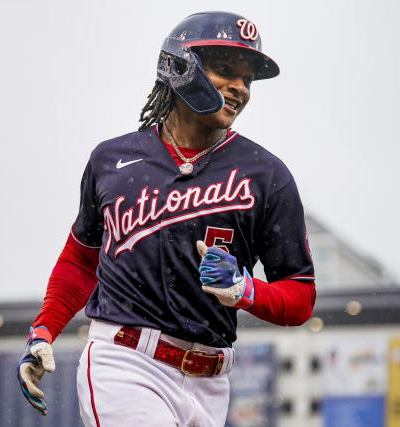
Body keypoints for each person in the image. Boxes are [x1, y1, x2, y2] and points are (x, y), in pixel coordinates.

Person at [16, 11, 316, 427]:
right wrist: (43, 330)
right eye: (225, 69)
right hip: (125, 361)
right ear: (179, 66)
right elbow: (81, 260)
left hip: (211, 382)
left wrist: (245, 290)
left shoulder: (266, 174)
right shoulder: (113, 160)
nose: (239, 88)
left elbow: (300, 296)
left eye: (247, 79)